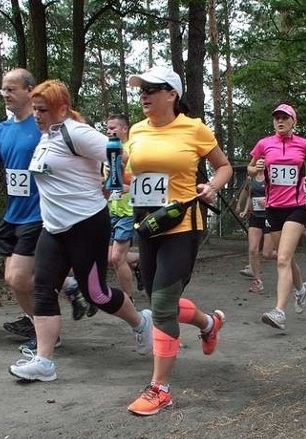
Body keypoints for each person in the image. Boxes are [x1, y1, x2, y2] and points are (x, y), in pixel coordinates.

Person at [7, 80, 153, 381]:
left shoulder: (77, 132)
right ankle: (44, 361)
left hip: (87, 223)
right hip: (53, 227)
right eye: (35, 109)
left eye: (43, 110)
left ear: (62, 108)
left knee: (96, 293)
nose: (37, 115)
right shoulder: (47, 135)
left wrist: (110, 184)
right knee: (43, 288)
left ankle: (141, 324)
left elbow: (119, 154)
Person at [0, 69, 91, 348]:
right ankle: (62, 299)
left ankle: (48, 334)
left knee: (17, 277)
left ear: (29, 91)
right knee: (18, 282)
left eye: (12, 89)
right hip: (13, 214)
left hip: (40, 213)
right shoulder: (2, 130)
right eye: (3, 90)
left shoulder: (44, 127)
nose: (6, 95)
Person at [125, 66, 233, 415]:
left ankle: (160, 388)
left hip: (183, 224)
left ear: (171, 94)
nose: (144, 95)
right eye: (141, 89)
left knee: (161, 303)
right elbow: (130, 174)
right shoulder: (136, 131)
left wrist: (212, 186)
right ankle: (209, 323)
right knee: (160, 301)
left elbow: (224, 166)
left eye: (152, 89)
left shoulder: (194, 128)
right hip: (147, 225)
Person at [247, 103, 306, 330]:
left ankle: (279, 311)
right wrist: (256, 166)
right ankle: (301, 289)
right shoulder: (264, 144)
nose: (280, 121)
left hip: (296, 206)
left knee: (283, 258)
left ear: (293, 121)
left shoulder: (304, 144)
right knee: (287, 259)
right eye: (277, 117)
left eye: (285, 118)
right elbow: (250, 168)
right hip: (273, 207)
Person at [105, 114, 143, 297]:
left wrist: (129, 187)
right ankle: (140, 262)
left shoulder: (133, 151)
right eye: (107, 128)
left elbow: (143, 181)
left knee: (117, 257)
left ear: (124, 129)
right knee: (109, 257)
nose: (109, 131)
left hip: (129, 210)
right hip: (112, 208)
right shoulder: (107, 152)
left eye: (113, 128)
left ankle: (128, 299)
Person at [235, 171, 276, 293]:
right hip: (255, 216)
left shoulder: (271, 176)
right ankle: (257, 280)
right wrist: (241, 206)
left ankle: (285, 256)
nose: (261, 162)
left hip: (269, 216)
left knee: (267, 254)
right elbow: (248, 194)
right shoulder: (251, 178)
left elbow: (279, 194)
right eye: (258, 159)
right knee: (253, 249)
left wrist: (268, 202)